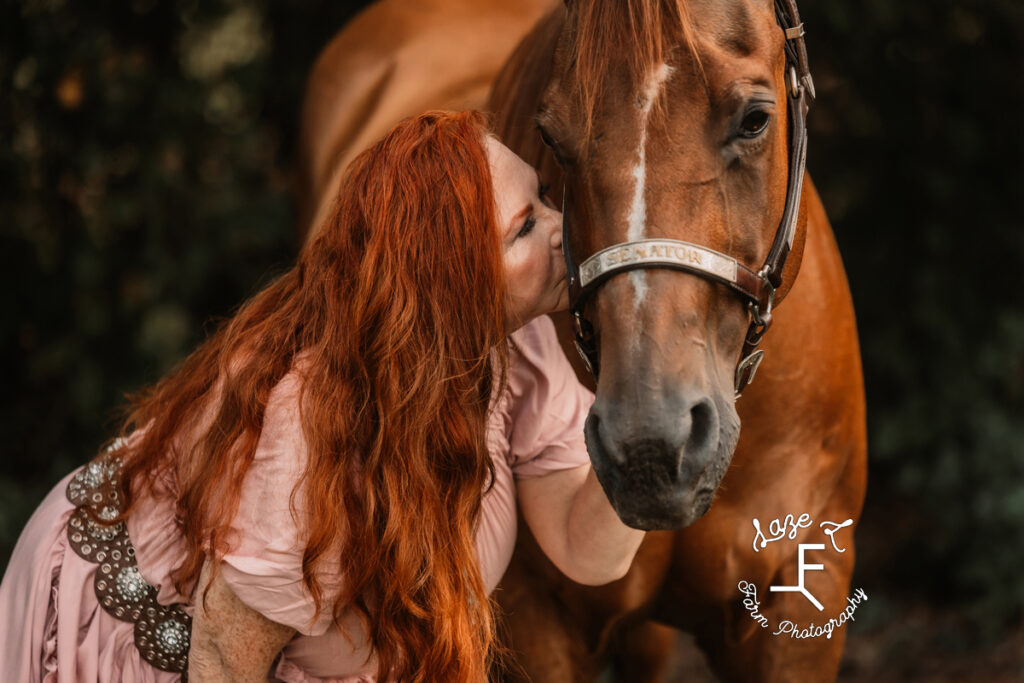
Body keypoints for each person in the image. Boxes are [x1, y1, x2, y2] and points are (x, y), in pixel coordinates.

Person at [0, 110, 646, 682]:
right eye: (524, 227)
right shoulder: (312, 425)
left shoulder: (521, 344)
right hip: (130, 629)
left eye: (542, 199)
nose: (565, 228)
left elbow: (584, 550)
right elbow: (226, 657)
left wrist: (645, 427)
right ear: (450, 277)